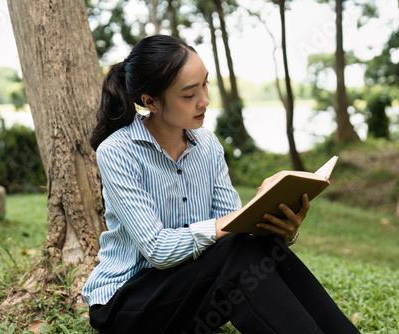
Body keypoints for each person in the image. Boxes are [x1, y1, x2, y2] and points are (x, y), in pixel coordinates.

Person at [82, 34, 361, 334]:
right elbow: (158, 250)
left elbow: (236, 234)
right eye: (189, 95)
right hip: (128, 305)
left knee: (255, 247)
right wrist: (232, 222)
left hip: (190, 292)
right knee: (236, 250)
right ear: (151, 102)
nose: (204, 100)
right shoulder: (117, 151)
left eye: (205, 84)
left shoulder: (208, 145)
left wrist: (279, 228)